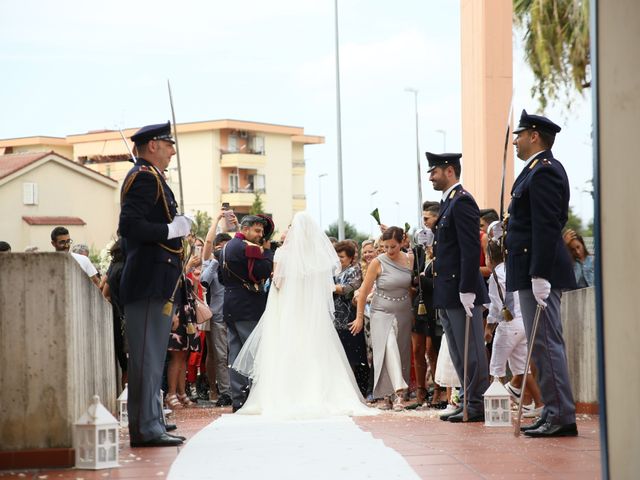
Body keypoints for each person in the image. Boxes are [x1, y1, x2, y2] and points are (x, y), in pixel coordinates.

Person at [232, 212, 373, 419]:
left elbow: (278, 283)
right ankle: (319, 392)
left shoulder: (282, 254)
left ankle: (287, 393)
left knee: (287, 349)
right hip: (311, 314)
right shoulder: (318, 256)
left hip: (288, 310)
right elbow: (324, 288)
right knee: (314, 350)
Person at [118, 121, 192, 447]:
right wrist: (169, 230)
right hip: (147, 280)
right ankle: (146, 428)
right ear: (152, 146)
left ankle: (152, 419)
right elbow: (129, 226)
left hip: (157, 280)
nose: (172, 150)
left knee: (153, 357)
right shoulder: (144, 179)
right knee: (147, 359)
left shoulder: (152, 178)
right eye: (168, 143)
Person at [506, 110, 578, 437]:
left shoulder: (544, 172)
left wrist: (540, 274)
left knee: (547, 344)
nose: (515, 140)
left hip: (538, 270)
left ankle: (561, 415)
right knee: (540, 346)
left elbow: (547, 226)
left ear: (534, 135)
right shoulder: (533, 171)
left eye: (518, 135)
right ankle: (552, 409)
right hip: (528, 267)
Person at [426, 152, 490, 423]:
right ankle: (466, 399)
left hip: (461, 290)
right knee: (457, 350)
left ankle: (475, 403)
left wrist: (467, 288)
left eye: (434, 171)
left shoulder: (462, 201)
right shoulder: (448, 203)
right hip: (448, 290)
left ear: (449, 170)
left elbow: (469, 248)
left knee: (471, 350)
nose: (431, 177)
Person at [353, 227, 413, 412]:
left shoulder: (410, 259)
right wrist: (359, 318)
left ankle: (389, 396)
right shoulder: (377, 262)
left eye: (393, 247)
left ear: (402, 242)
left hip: (403, 311)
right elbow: (363, 293)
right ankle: (398, 391)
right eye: (385, 247)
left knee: (401, 351)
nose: (389, 251)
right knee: (389, 347)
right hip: (381, 311)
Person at [483, 233, 543, 418]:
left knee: (496, 369)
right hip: (523, 322)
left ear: (489, 257)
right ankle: (540, 404)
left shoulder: (495, 275)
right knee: (522, 368)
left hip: (508, 324)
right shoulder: (512, 269)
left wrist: (488, 327)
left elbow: (495, 305)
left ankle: (499, 410)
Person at [220, 214, 275, 412]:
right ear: (245, 229)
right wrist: (268, 252)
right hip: (248, 305)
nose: (261, 235)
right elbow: (261, 270)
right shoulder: (246, 248)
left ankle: (238, 398)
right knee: (252, 351)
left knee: (235, 353)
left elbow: (220, 276)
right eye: (257, 231)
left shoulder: (226, 247)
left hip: (230, 303)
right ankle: (252, 397)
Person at [201, 231, 233, 407]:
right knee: (220, 357)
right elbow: (203, 282)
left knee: (235, 354)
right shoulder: (212, 265)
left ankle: (239, 389)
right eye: (220, 248)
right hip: (218, 317)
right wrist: (214, 261)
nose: (223, 252)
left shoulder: (234, 264)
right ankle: (225, 392)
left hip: (235, 315)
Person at [333, 240, 368, 396]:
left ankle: (355, 390)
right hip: (336, 319)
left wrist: (332, 288)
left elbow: (349, 289)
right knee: (339, 356)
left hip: (349, 318)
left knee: (352, 355)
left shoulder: (354, 270)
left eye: (341, 256)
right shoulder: (334, 271)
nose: (339, 259)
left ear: (350, 257)